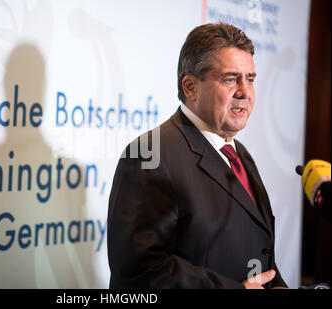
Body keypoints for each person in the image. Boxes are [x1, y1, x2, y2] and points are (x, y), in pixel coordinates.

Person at [107, 23, 288, 289]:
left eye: (250, 79)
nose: (245, 92)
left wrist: (277, 285)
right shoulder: (149, 154)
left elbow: (260, 249)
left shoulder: (241, 155)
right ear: (190, 87)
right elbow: (139, 270)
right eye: (230, 79)